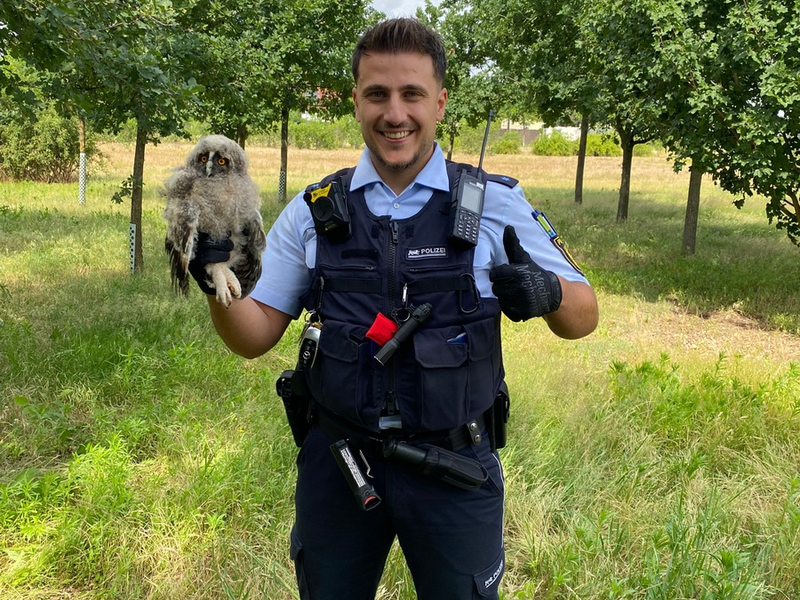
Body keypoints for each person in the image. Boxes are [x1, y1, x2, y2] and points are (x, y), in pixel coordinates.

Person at [191, 17, 598, 600]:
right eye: (377, 94)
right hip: (341, 469)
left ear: (440, 101)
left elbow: (585, 315)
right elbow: (252, 335)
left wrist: (548, 294)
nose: (395, 113)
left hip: (456, 468)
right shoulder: (313, 211)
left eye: (412, 94)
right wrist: (216, 282)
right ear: (356, 100)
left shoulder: (495, 204)